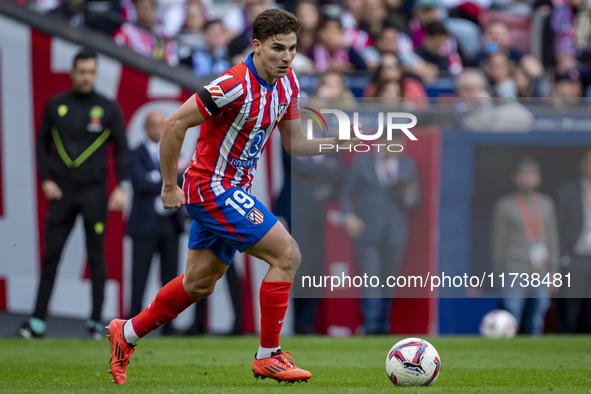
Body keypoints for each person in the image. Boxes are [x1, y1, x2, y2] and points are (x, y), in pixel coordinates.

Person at [106, 8, 358, 385]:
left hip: (233, 190)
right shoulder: (232, 84)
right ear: (256, 46)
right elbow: (175, 123)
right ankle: (268, 356)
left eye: (291, 48)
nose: (287, 57)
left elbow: (294, 143)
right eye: (277, 49)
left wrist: (338, 141)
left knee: (199, 283)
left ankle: (125, 334)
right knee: (287, 254)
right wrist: (170, 185)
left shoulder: (288, 85)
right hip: (211, 188)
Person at [19, 48, 130, 340]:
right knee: (51, 257)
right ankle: (37, 321)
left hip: (94, 192)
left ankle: (96, 323)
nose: (86, 77)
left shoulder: (108, 108)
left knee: (96, 257)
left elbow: (121, 150)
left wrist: (122, 185)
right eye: (81, 71)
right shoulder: (56, 105)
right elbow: (41, 145)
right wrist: (45, 180)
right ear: (72, 72)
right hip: (62, 192)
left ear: (96, 73)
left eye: (91, 71)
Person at [340, 134, 420, 335]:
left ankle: (384, 325)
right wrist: (349, 217)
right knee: (371, 278)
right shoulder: (362, 162)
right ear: (381, 142)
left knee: (390, 280)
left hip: (396, 232)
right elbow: (347, 193)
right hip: (368, 231)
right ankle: (371, 325)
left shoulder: (407, 164)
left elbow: (415, 200)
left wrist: (408, 194)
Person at [126, 111, 184, 333]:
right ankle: (132, 324)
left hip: (171, 224)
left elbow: (182, 179)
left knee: (171, 280)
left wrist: (156, 177)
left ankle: (169, 326)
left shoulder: (174, 150)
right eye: (153, 125)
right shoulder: (136, 153)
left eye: (162, 124)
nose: (158, 129)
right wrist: (167, 179)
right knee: (139, 276)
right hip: (145, 225)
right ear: (145, 127)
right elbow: (140, 183)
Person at [491, 157, 559, 335]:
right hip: (514, 266)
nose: (527, 178)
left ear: (539, 178)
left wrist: (554, 270)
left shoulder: (547, 204)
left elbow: (552, 239)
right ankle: (507, 352)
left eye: (531, 174)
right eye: (523, 174)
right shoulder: (504, 205)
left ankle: (534, 353)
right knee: (511, 312)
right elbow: (498, 241)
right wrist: (498, 273)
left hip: (540, 269)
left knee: (539, 313)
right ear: (515, 178)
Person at [556, 150, 591, 333]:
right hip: (575, 259)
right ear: (582, 164)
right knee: (571, 312)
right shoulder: (568, 190)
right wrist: (563, 257)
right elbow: (558, 227)